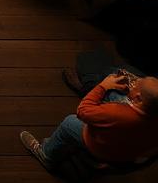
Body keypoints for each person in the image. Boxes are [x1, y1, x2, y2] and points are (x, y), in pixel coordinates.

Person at [21, 58, 158, 173]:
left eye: (136, 86)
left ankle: (46, 154)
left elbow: (83, 111)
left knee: (69, 123)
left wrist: (103, 86)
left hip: (101, 148)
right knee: (115, 91)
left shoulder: (117, 113)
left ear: (139, 99)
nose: (134, 83)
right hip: (129, 154)